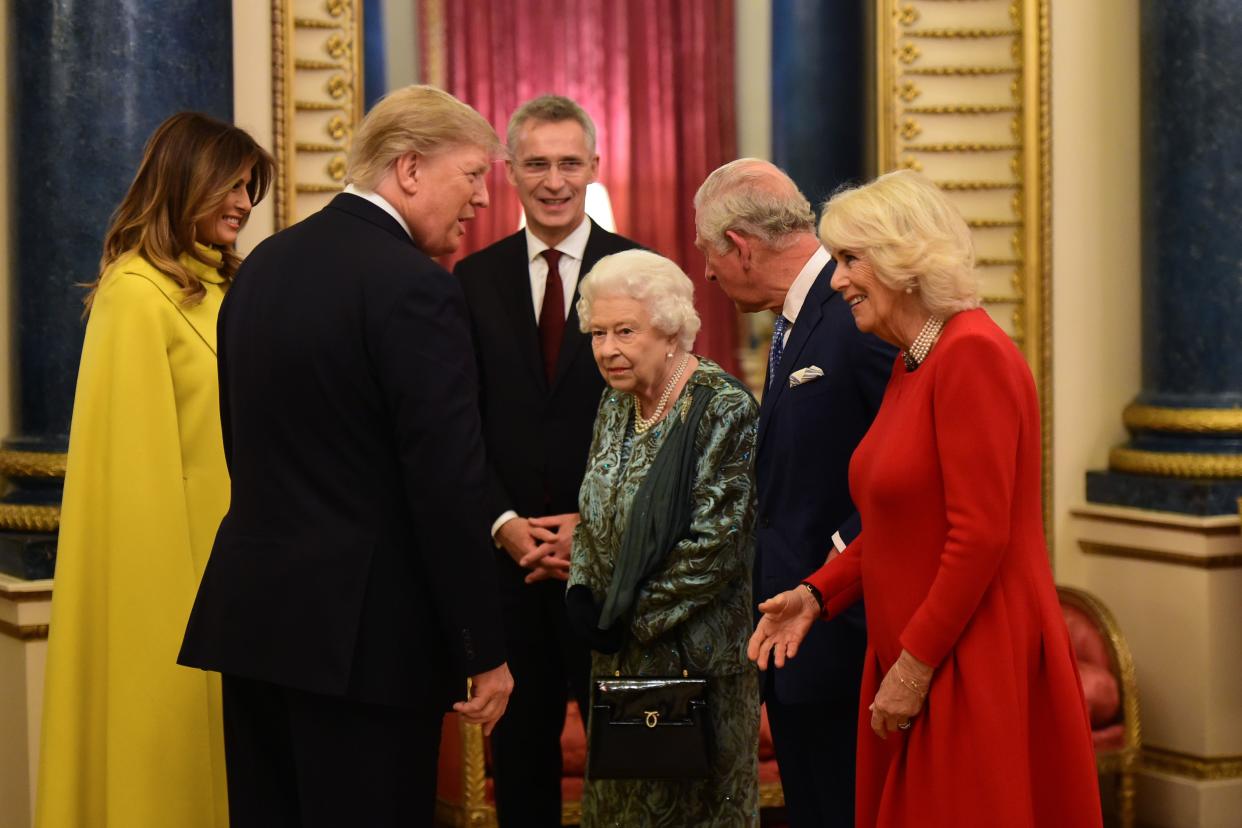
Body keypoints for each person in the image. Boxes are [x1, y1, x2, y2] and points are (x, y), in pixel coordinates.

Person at [177, 85, 514, 828]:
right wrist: (483, 647)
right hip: (368, 647)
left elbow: (245, 447)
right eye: (473, 174)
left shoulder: (260, 267)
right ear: (410, 168)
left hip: (258, 624)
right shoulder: (416, 287)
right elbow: (447, 482)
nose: (484, 199)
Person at [748, 170, 1103, 827]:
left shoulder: (972, 355)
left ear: (902, 260)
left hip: (970, 657)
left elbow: (978, 536)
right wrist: (817, 593)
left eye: (850, 260)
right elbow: (894, 523)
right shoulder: (915, 362)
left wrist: (912, 668)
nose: (837, 280)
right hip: (921, 651)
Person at [36, 112, 273, 828]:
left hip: (243, 578)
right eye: (229, 184)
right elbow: (134, 480)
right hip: (177, 590)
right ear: (182, 182)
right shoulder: (135, 293)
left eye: (248, 188)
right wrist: (178, 610)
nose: (242, 202)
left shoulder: (231, 287)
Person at [453, 94, 643, 824]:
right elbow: (457, 424)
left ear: (594, 167)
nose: (555, 180)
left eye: (570, 162)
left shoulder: (642, 270)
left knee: (629, 771)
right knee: (522, 772)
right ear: (510, 172)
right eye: (537, 163)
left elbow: (665, 430)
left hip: (616, 569)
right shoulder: (472, 280)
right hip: (507, 568)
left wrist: (591, 529)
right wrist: (504, 522)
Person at [692, 158, 895, 827]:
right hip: (796, 635)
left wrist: (837, 565)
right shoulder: (794, 320)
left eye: (708, 254)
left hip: (846, 633)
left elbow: (910, 461)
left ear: (741, 247)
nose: (708, 273)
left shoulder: (854, 314)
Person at [566, 249, 760, 826]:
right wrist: (582, 587)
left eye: (625, 331)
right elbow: (593, 508)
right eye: (597, 333)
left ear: (672, 328)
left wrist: (627, 616)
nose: (606, 349)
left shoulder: (723, 408)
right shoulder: (615, 400)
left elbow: (717, 546)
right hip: (618, 660)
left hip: (697, 667)